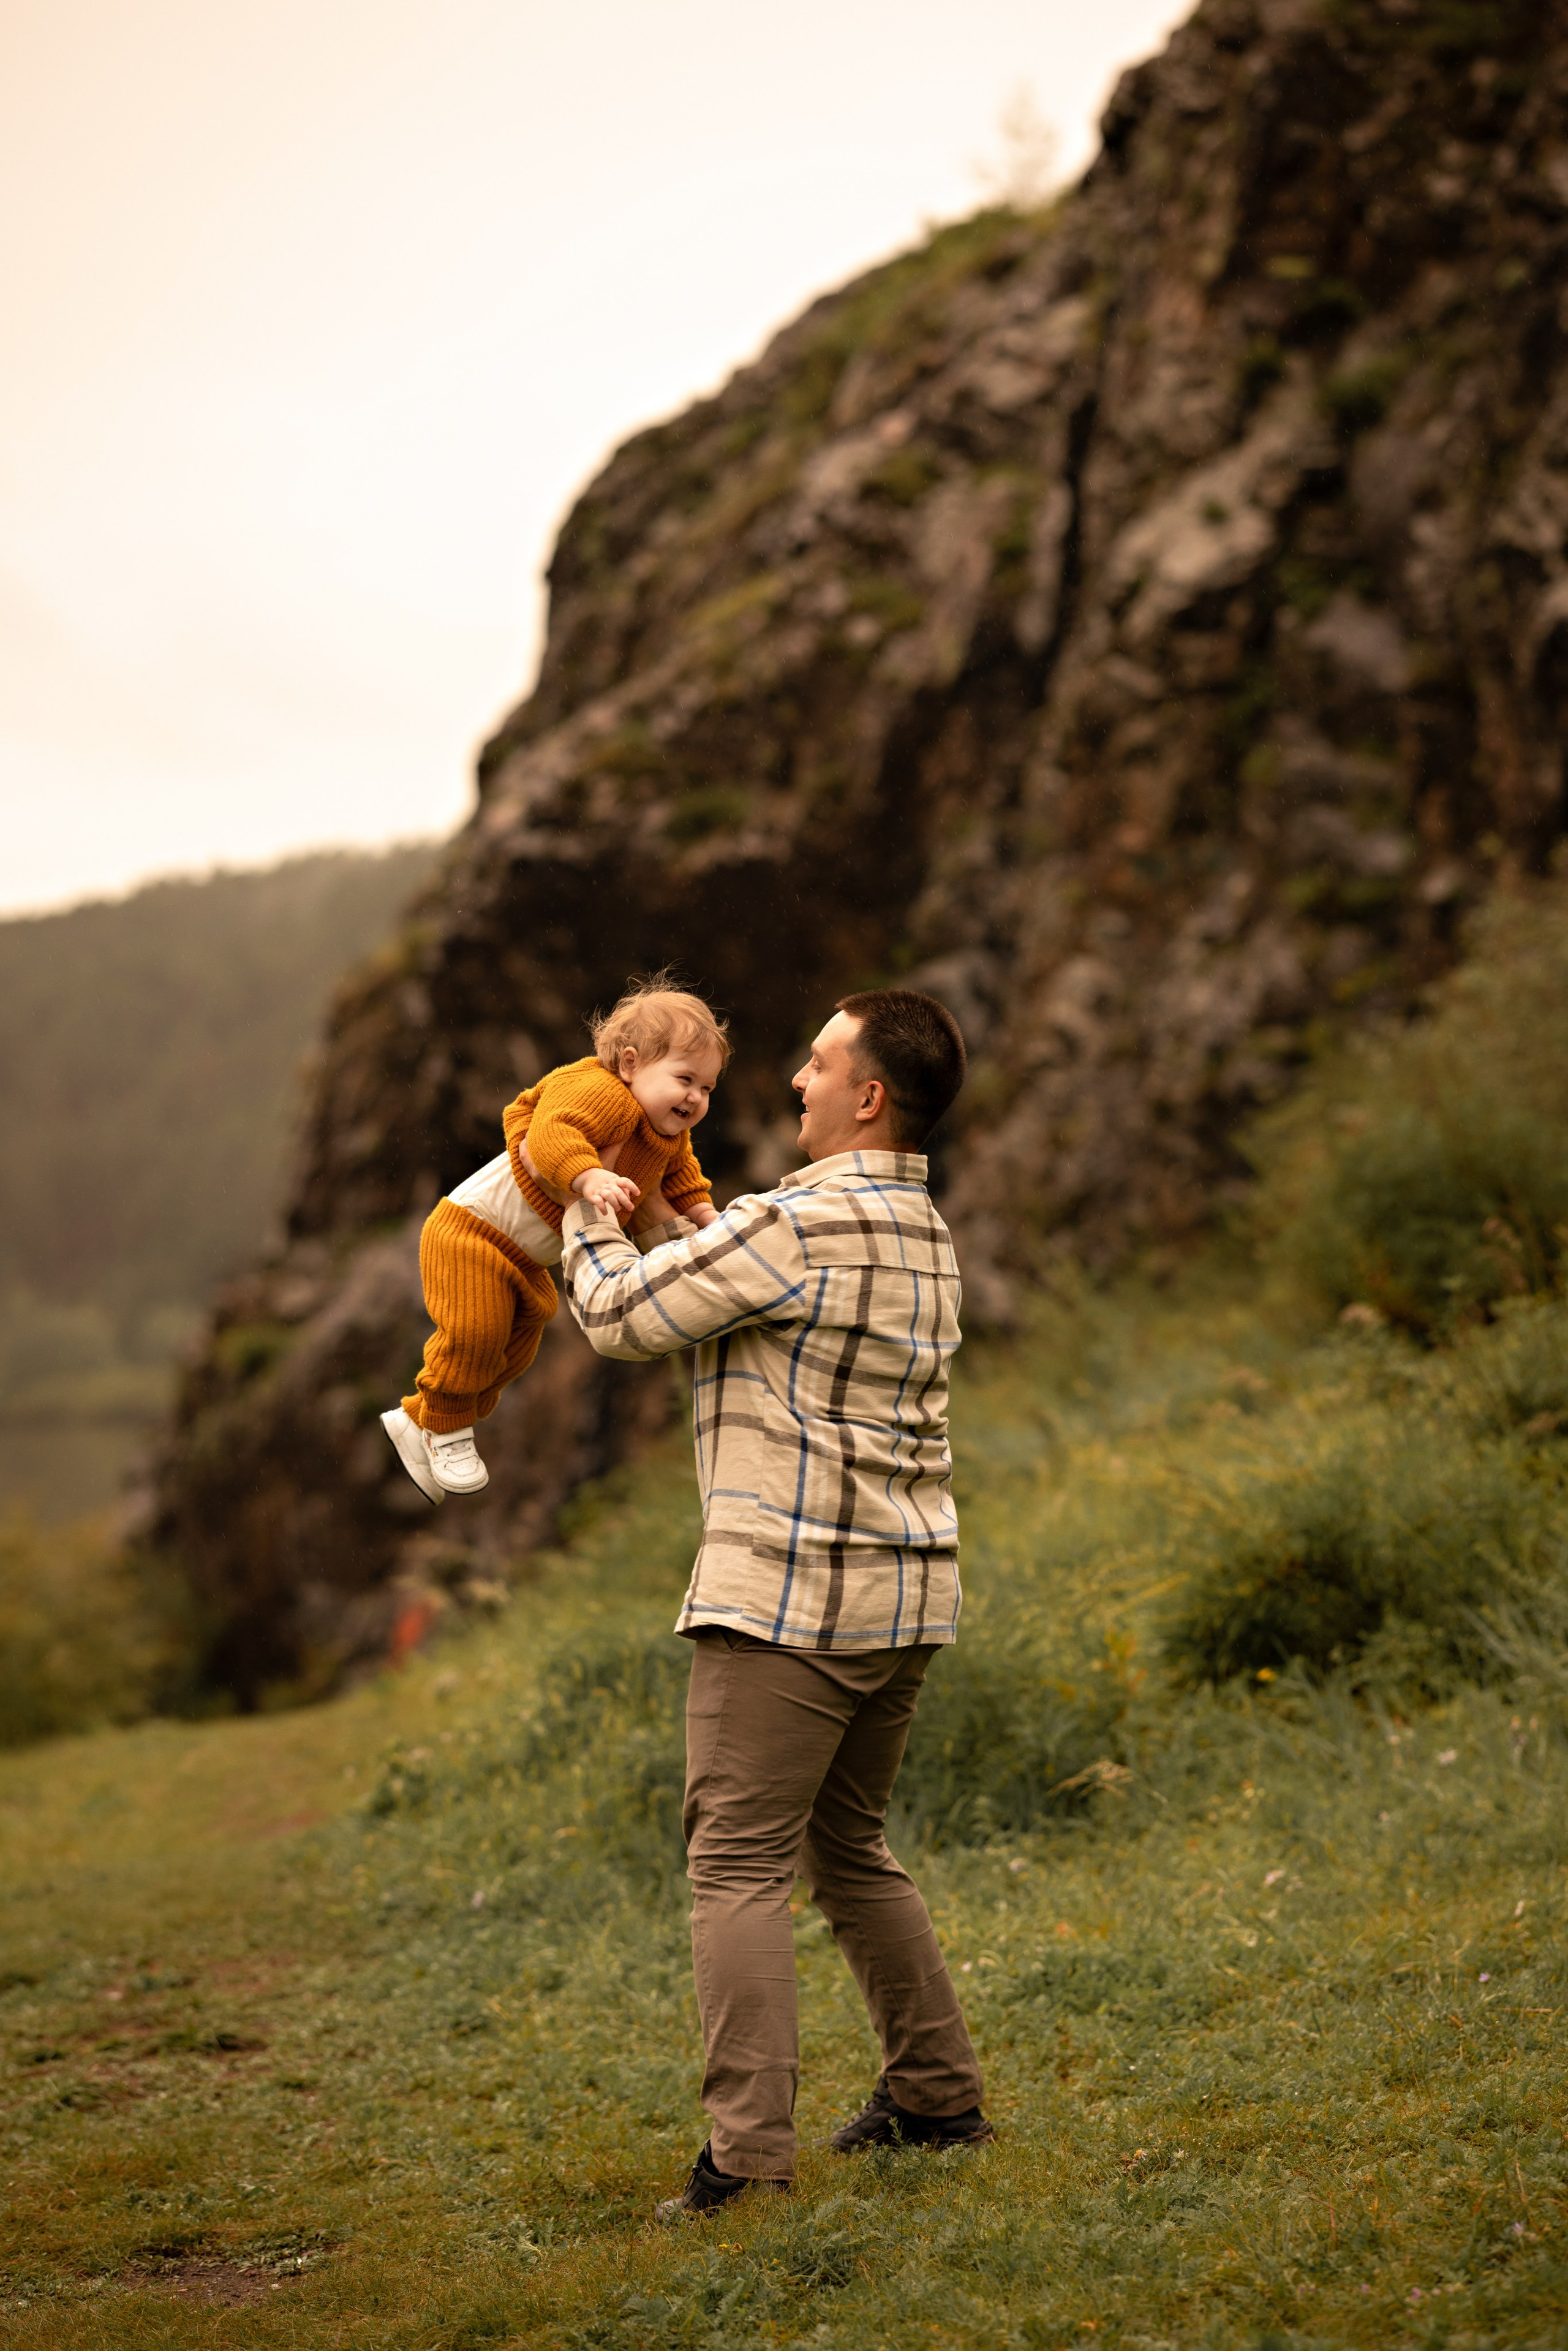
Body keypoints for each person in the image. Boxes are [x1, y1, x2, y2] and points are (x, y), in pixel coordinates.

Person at [559, 987, 993, 2219]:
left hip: (792, 1606)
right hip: (905, 1596)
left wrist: (579, 1202)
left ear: (866, 1095)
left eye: (815, 1064)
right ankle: (934, 2095)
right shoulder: (926, 1229)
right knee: (849, 1847)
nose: (793, 1082)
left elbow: (619, 1313)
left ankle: (744, 2160)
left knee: (734, 1863)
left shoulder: (797, 1221)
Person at [382, 978, 726, 1504]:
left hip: (523, 1259)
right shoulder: (603, 1093)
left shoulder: (668, 1134)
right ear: (630, 1064)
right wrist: (589, 1178)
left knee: (513, 1350)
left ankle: (418, 1420)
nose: (695, 1098)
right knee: (474, 1332)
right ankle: (447, 1424)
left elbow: (682, 1181)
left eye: (707, 1089)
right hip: (472, 1232)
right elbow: (551, 1134)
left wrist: (706, 1217)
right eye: (685, 1079)